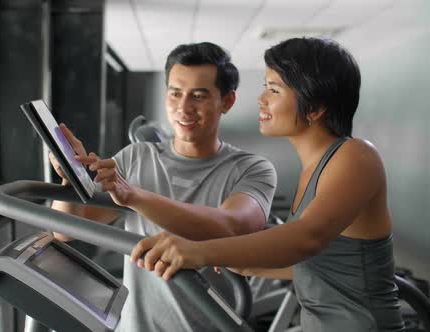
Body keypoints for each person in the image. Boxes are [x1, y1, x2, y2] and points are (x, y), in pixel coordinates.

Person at [131, 37, 405, 331]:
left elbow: (305, 239)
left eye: (274, 90)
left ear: (315, 108)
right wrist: (235, 256)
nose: (261, 99)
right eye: (265, 87)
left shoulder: (355, 155)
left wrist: (198, 251)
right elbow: (319, 264)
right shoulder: (313, 170)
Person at [50, 42, 277, 332]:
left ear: (227, 101)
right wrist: (71, 178)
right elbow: (66, 229)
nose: (183, 107)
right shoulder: (136, 157)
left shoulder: (251, 169)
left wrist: (134, 196)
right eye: (175, 93)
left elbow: (233, 228)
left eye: (198, 95)